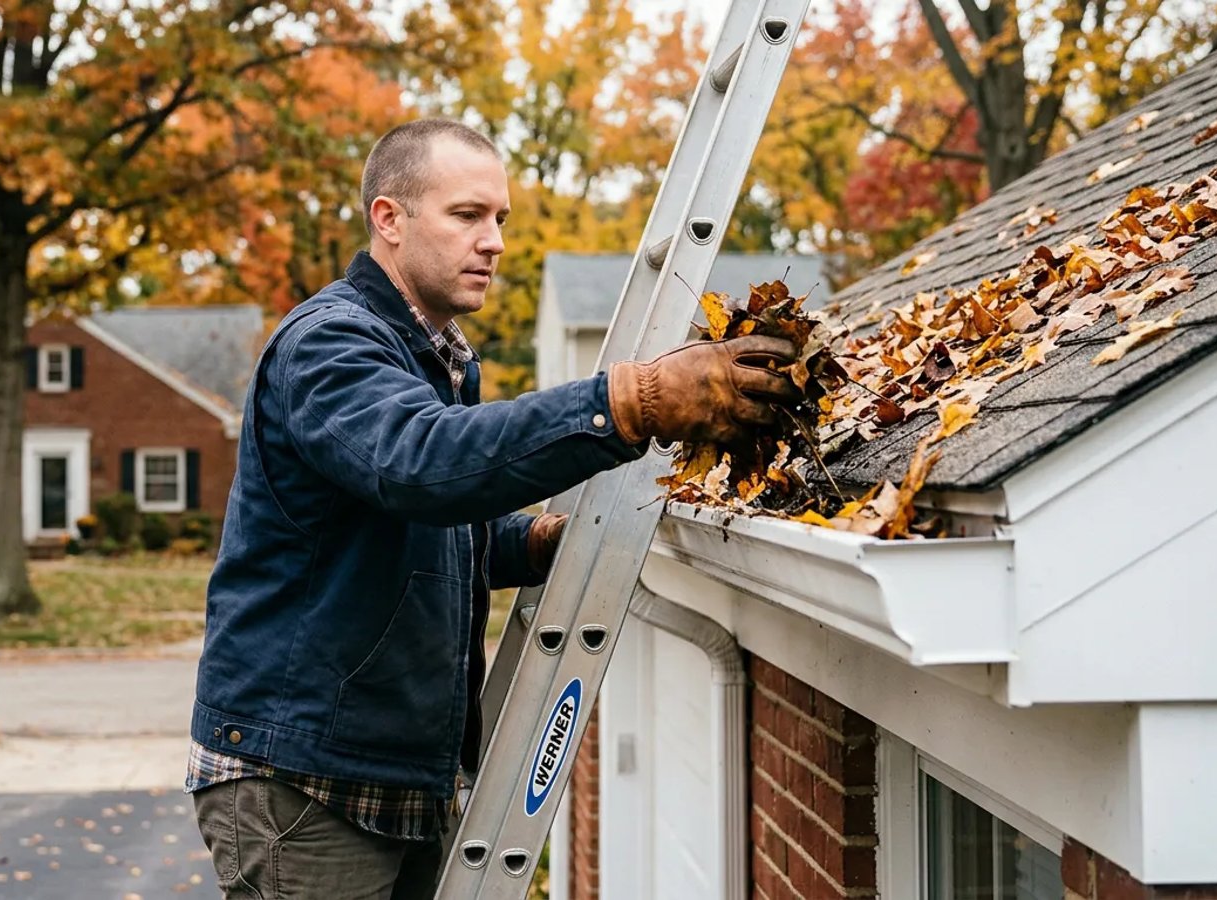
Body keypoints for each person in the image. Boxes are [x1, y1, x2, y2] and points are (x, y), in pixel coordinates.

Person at [187, 118, 799, 899]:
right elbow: (419, 465)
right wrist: (630, 401)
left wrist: (539, 541)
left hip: (399, 776)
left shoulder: (433, 359)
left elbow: (436, 529)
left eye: (500, 220)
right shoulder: (329, 344)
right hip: (306, 782)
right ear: (390, 219)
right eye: (467, 215)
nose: (495, 242)